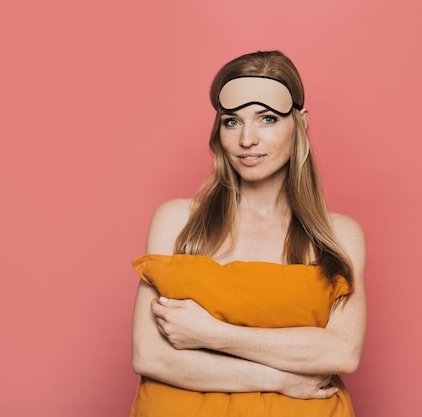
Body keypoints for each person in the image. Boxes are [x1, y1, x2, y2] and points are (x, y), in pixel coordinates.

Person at [130, 50, 367, 417]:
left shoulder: (339, 235)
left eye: (267, 119)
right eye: (232, 122)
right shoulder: (176, 221)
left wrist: (210, 334)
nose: (247, 140)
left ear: (301, 122)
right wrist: (281, 378)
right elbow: (149, 355)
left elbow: (340, 353)